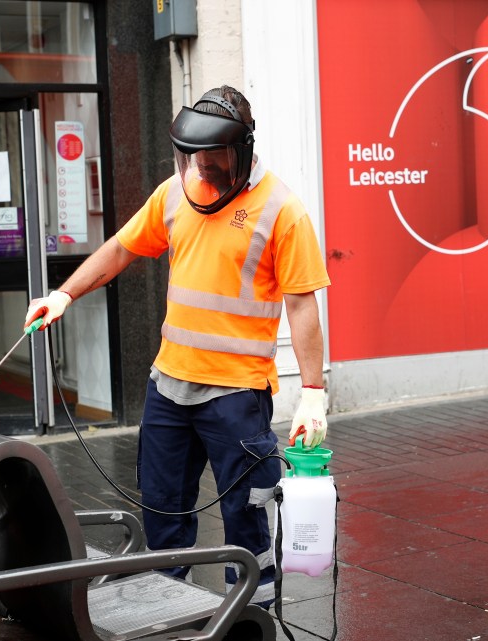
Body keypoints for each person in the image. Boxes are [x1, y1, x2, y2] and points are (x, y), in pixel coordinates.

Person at [24, 85, 330, 608]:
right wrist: (63, 294)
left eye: (215, 157)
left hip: (236, 395)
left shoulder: (283, 211)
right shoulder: (175, 193)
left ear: (244, 149)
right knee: (163, 509)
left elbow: (302, 307)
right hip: (169, 387)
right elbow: (121, 246)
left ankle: (252, 614)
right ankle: (171, 607)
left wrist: (313, 393)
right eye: (194, 156)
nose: (203, 168)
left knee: (245, 516)